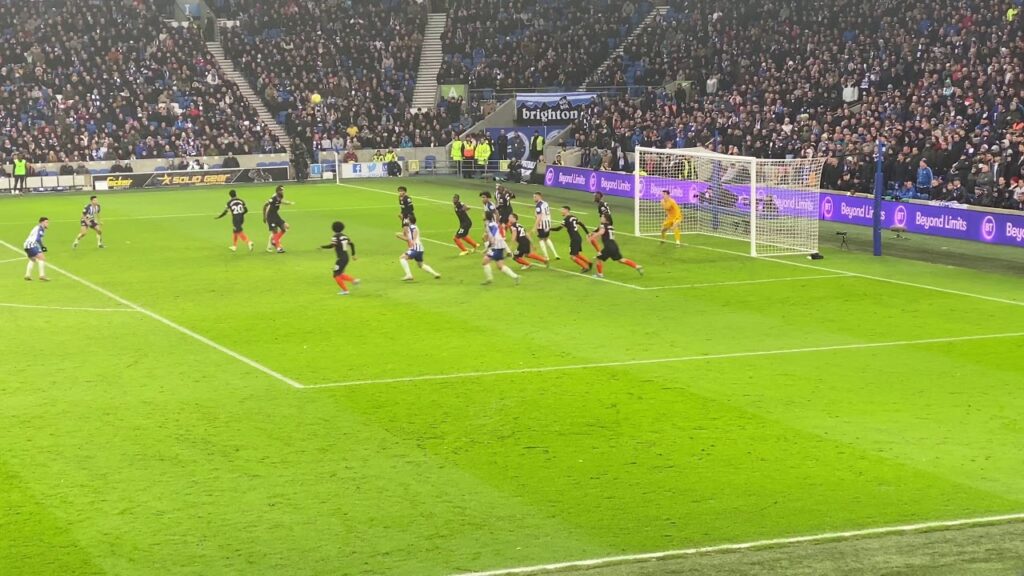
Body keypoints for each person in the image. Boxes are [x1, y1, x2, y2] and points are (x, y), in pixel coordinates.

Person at [592, 214, 643, 278]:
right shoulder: (611, 226)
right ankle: (636, 266)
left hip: (608, 246)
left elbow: (601, 232)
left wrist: (593, 236)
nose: (601, 218)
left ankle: (600, 274)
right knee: (621, 260)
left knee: (598, 258)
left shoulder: (602, 225)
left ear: (606, 219)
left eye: (602, 217)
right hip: (614, 245)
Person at [397, 215, 441, 281]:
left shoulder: (411, 227)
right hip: (420, 248)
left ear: (410, 221)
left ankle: (409, 275)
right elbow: (409, 236)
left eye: (408, 219)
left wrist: (399, 236)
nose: (407, 220)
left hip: (415, 248)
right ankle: (435, 274)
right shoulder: (414, 227)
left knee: (402, 258)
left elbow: (408, 239)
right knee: (420, 265)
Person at [480, 213, 520, 285]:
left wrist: (493, 240)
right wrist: (487, 248)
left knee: (485, 261)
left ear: (486, 216)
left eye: (483, 214)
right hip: (498, 246)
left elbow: (495, 234)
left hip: (496, 246)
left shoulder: (490, 224)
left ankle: (489, 279)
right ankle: (515, 277)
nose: (482, 215)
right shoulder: (489, 223)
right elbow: (492, 236)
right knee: (500, 266)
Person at [321, 221, 360, 295]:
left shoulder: (335, 236)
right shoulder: (345, 236)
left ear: (333, 228)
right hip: (346, 257)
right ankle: (354, 280)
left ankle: (345, 291)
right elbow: (352, 244)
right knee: (340, 273)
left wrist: (322, 247)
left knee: (336, 275)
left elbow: (332, 246)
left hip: (341, 258)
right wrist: (353, 255)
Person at [551, 206, 592, 272]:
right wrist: (587, 233)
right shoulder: (574, 217)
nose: (561, 211)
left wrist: (549, 229)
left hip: (574, 239)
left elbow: (558, 229)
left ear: (566, 210)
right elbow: (582, 224)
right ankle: (589, 263)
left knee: (572, 256)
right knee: (577, 254)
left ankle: (585, 267)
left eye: (562, 210)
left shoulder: (565, 220)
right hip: (578, 237)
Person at [263, 185, 294, 253]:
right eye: (282, 190)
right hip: (270, 217)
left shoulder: (280, 196)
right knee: (275, 232)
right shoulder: (273, 198)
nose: (283, 191)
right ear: (278, 191)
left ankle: (274, 241)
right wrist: (265, 217)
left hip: (276, 215)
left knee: (285, 228)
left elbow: (282, 201)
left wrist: (289, 203)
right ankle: (278, 248)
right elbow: (266, 206)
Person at [532, 191, 559, 260]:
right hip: (548, 223)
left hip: (542, 224)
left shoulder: (538, 205)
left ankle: (546, 256)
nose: (533, 198)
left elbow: (539, 217)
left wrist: (535, 227)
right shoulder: (545, 203)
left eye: (535, 197)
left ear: (539, 197)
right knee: (547, 238)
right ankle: (555, 254)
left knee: (541, 239)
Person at [23, 217, 49, 281]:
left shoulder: (38, 228)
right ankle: (42, 275)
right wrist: (42, 246)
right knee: (42, 258)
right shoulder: (40, 228)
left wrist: (42, 246)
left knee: (33, 259)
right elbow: (38, 239)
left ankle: (27, 275)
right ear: (42, 222)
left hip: (26, 244)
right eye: (46, 222)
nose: (47, 224)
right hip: (31, 244)